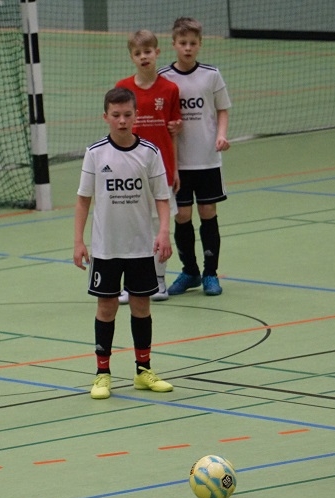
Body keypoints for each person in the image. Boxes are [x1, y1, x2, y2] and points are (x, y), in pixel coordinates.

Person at [73, 87, 175, 399]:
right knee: (106, 308)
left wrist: (164, 232)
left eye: (127, 115)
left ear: (136, 116)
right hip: (106, 248)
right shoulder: (95, 153)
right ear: (105, 117)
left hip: (140, 247)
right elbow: (83, 200)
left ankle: (143, 371)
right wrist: (78, 241)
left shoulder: (150, 153)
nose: (122, 121)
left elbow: (162, 198)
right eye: (115, 115)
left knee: (141, 306)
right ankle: (102, 374)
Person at [158, 17, 232, 297]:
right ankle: (190, 271)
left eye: (192, 43)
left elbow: (222, 109)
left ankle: (210, 273)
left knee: (207, 211)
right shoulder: (164, 77)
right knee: (182, 215)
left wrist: (221, 135)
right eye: (182, 43)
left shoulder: (211, 75)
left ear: (200, 44)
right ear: (173, 44)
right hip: (178, 162)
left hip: (207, 159)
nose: (187, 48)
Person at [115, 29, 182, 304]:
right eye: (138, 53)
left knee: (160, 227)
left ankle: (159, 279)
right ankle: (131, 284)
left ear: (157, 52)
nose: (144, 57)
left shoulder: (170, 89)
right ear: (131, 57)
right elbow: (117, 131)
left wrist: (174, 169)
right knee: (131, 228)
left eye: (148, 51)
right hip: (130, 171)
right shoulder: (123, 88)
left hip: (161, 170)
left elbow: (173, 132)